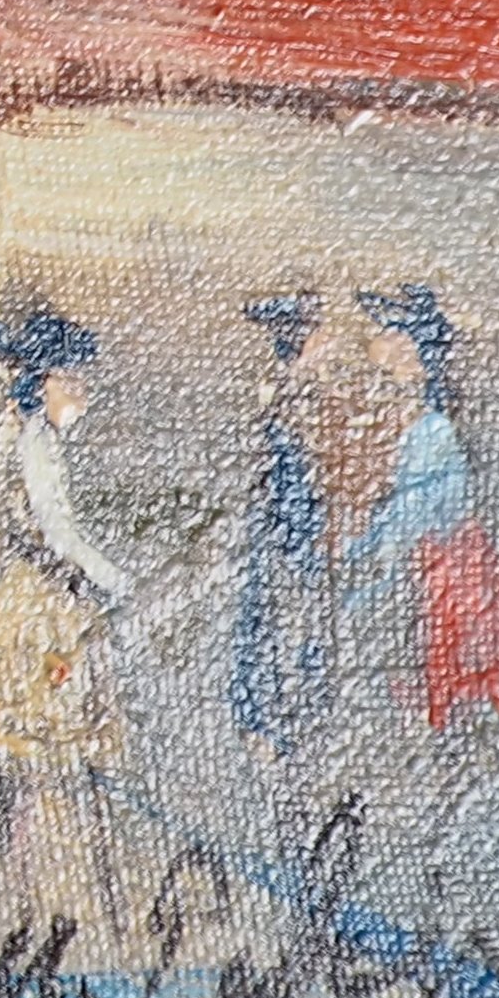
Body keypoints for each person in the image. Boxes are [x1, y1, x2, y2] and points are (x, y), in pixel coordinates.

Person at [0, 303, 134, 930]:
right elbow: (57, 531)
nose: (82, 396)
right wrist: (115, 580)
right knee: (48, 736)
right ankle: (45, 889)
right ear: (43, 382)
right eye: (72, 382)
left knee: (36, 743)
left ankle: (30, 886)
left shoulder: (27, 433)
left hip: (38, 596)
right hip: (42, 604)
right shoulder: (33, 442)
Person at [351, 287, 499, 739]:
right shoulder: (419, 424)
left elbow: (426, 503)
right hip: (437, 554)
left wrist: (377, 543)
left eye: (395, 352)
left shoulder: (433, 429)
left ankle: (446, 732)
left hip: (447, 558)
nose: (385, 371)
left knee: (442, 653)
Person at [227, 292, 337, 778]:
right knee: (281, 633)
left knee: (284, 634)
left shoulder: (289, 397)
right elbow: (288, 486)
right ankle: (276, 732)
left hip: (288, 536)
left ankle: (282, 731)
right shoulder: (290, 401)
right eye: (317, 334)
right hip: (287, 541)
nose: (327, 343)